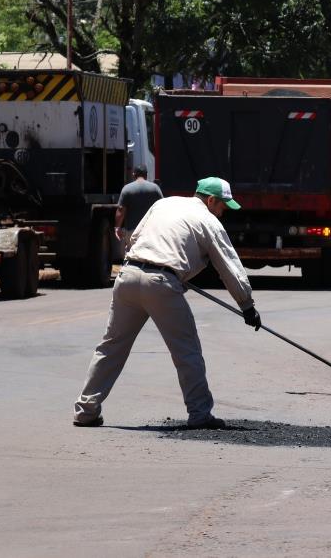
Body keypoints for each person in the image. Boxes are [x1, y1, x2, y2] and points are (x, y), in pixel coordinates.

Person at [73, 177, 261, 429]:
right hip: (160, 282)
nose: (223, 212)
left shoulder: (164, 204)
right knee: (187, 350)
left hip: (128, 275)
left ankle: (86, 410)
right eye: (223, 206)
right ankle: (200, 413)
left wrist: (166, 266)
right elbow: (228, 265)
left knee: (111, 346)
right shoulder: (208, 220)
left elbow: (135, 238)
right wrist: (247, 305)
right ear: (211, 200)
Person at [115, 165, 163, 251]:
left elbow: (121, 210)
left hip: (132, 232)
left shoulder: (127, 189)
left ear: (133, 174)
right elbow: (162, 208)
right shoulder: (155, 188)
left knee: (132, 255)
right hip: (150, 231)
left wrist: (117, 227)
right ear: (146, 175)